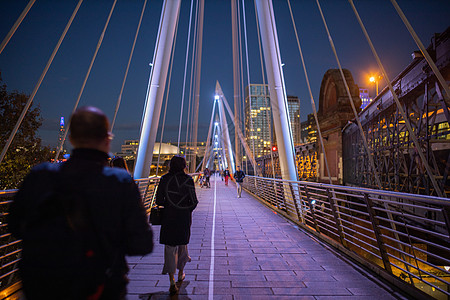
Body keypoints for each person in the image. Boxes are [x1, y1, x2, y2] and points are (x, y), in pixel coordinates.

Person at [8, 106, 154, 300]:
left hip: (42, 286)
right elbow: (142, 244)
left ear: (71, 139)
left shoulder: (40, 176)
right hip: (98, 287)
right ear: (107, 139)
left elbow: (15, 227)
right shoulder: (120, 182)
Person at [156, 155, 198, 295]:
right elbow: (194, 201)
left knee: (170, 247)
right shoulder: (188, 179)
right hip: (183, 217)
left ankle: (172, 281)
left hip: (168, 217)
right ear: (184, 166)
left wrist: (170, 206)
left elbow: (159, 201)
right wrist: (185, 210)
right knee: (182, 245)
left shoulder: (164, 179)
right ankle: (181, 273)